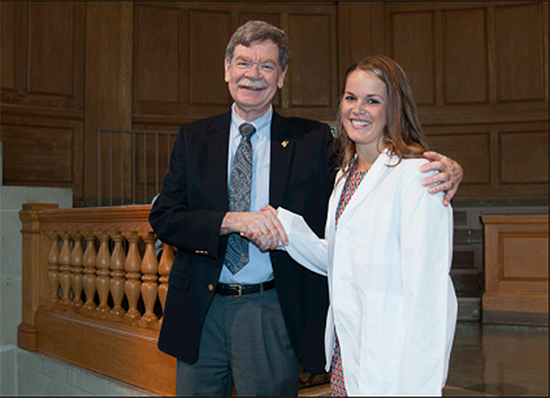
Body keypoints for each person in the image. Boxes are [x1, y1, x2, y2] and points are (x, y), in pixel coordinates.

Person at [149, 21, 462, 397]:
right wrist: (231, 222)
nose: (253, 74)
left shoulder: (314, 141)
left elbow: (380, 166)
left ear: (281, 77)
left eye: (267, 65)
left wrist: (451, 169)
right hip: (201, 308)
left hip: (270, 308)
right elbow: (165, 216)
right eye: (244, 62)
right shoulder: (194, 137)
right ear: (227, 68)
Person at [262, 55, 458, 396]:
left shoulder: (418, 177)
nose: (358, 109)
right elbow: (340, 260)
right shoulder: (345, 177)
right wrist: (284, 230)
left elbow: (429, 294)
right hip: (345, 352)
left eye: (372, 100)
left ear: (393, 108)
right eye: (351, 98)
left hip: (391, 363)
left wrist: (420, 386)